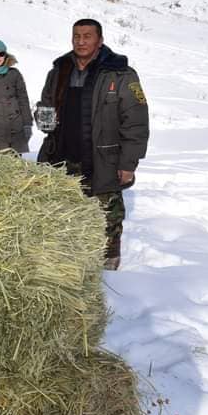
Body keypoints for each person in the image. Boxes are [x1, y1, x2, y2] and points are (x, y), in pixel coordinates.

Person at [36, 18, 149, 270]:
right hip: (62, 157)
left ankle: (109, 271)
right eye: (76, 36)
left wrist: (128, 163)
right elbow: (45, 104)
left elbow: (136, 122)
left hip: (103, 160)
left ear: (100, 41)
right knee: (63, 215)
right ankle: (69, 265)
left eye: (87, 36)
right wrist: (44, 120)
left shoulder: (120, 74)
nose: (81, 41)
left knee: (107, 217)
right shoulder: (59, 71)